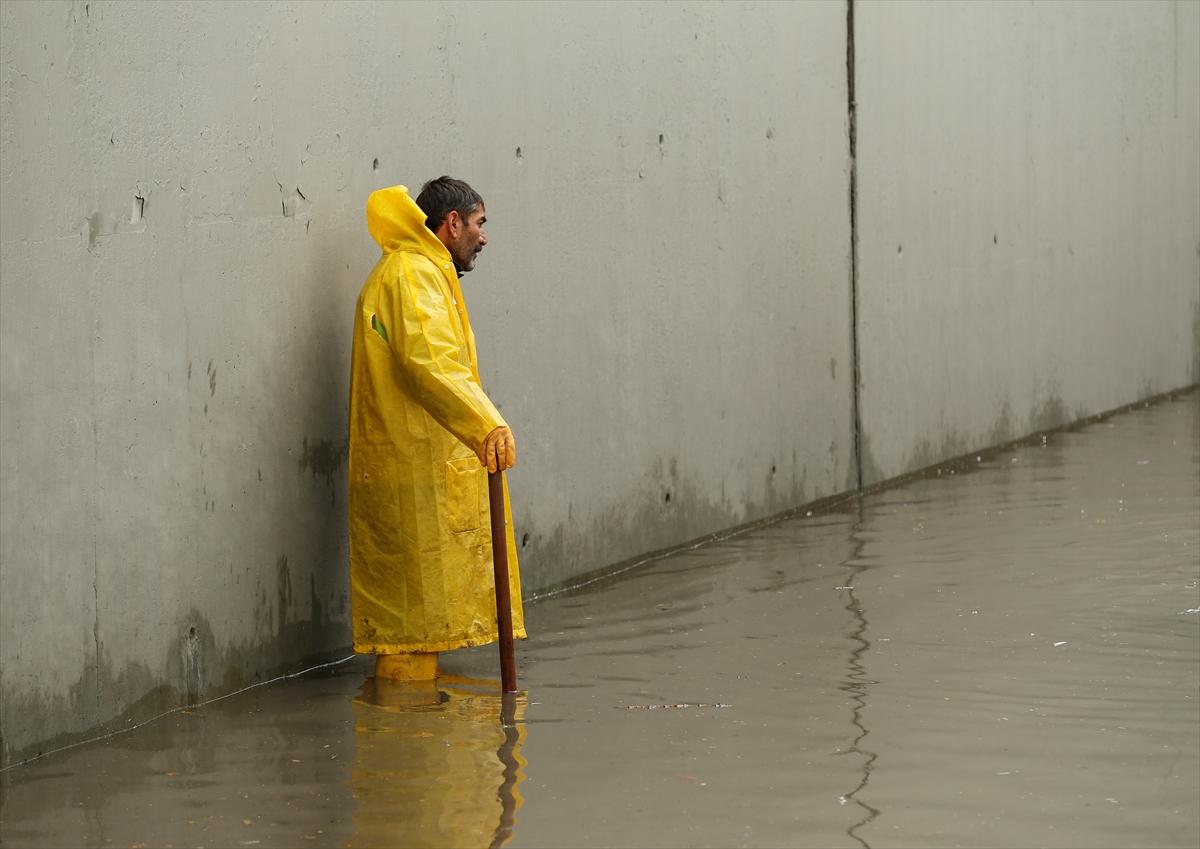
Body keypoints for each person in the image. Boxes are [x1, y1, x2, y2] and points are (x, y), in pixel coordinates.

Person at [347, 177, 525, 680]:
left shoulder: (419, 272)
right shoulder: (411, 275)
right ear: (452, 223)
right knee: (410, 637)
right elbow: (433, 364)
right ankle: (408, 738)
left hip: (419, 467)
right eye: (479, 223)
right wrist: (486, 424)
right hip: (414, 475)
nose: (483, 237)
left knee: (417, 628)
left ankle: (411, 733)